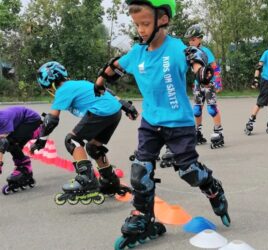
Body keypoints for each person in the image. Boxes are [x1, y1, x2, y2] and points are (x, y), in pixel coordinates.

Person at [94, 0, 230, 248]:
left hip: (179, 123)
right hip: (151, 122)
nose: (141, 30)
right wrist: (102, 79)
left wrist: (201, 71)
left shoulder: (176, 48)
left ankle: (212, 187)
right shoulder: (137, 53)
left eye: (145, 23)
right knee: (140, 171)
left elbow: (194, 57)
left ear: (163, 20)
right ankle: (142, 217)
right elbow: (116, 65)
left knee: (188, 171)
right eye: (137, 25)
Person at [31, 61, 136, 205]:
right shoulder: (79, 83)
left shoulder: (62, 90)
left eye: (48, 88)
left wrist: (40, 140)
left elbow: (51, 120)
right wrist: (126, 106)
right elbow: (106, 90)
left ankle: (87, 178)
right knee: (94, 147)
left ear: (50, 83)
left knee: (72, 140)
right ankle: (110, 181)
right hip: (114, 112)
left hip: (101, 111)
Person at [185, 24, 224, 149]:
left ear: (200, 38)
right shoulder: (188, 52)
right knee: (196, 110)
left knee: (212, 109)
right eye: (189, 40)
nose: (191, 42)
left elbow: (215, 67)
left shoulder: (205, 51)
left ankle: (218, 132)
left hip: (209, 83)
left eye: (193, 39)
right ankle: (198, 132)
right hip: (197, 85)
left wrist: (218, 82)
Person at [0, 106, 42, 195]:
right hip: (19, 122)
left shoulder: (3, 119)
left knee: (10, 142)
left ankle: (25, 166)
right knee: (13, 145)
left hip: (31, 120)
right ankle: (23, 165)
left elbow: (2, 142)